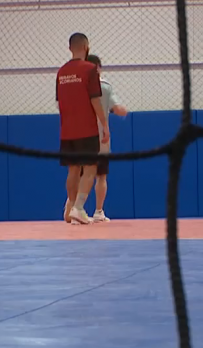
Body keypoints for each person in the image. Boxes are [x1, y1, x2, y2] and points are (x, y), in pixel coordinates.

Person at [69, 54, 129, 223]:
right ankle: (98, 211)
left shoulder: (76, 86)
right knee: (101, 176)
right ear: (99, 68)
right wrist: (122, 110)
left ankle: (74, 208)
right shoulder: (105, 86)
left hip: (78, 136)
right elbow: (117, 108)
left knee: (79, 175)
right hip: (100, 138)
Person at [57, 33, 109, 225]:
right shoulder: (90, 70)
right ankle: (78, 208)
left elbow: (59, 103)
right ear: (86, 46)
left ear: (70, 48)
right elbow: (95, 100)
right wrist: (104, 124)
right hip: (86, 128)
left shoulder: (61, 72)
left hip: (67, 129)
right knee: (90, 167)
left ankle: (72, 208)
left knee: (73, 169)